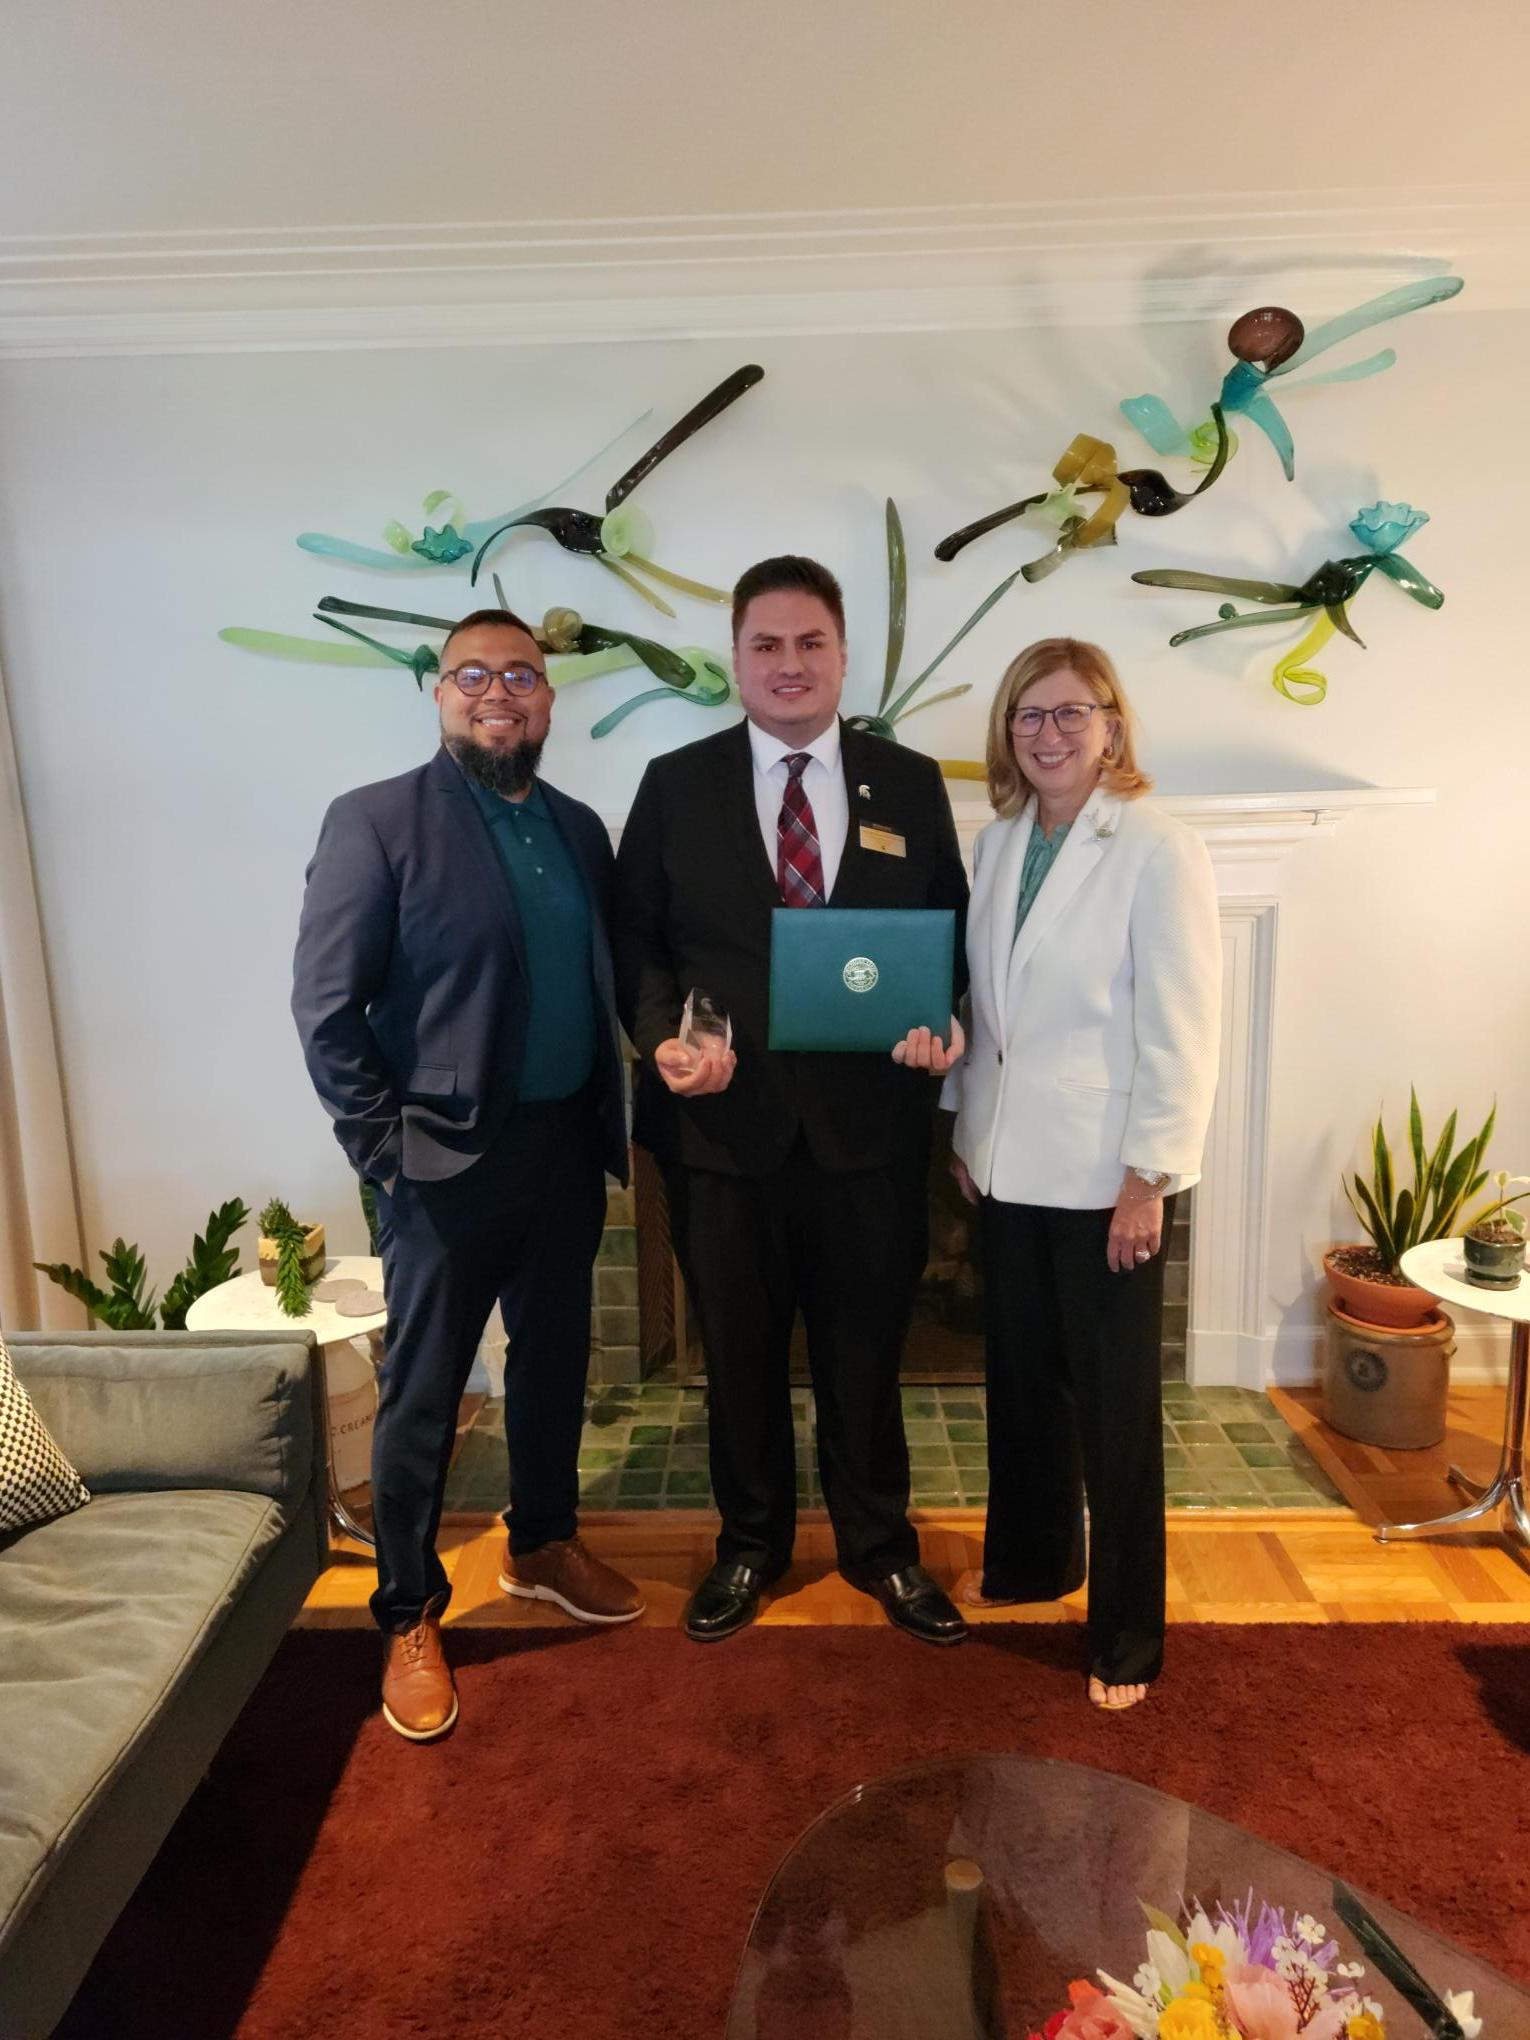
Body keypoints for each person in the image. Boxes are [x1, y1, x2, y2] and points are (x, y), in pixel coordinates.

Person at [292, 607, 642, 1743]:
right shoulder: (377, 821)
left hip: (562, 1146)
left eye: (524, 677)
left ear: (548, 700)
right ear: (439, 693)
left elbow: (603, 982)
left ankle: (541, 1540)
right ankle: (407, 1610)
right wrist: (384, 1151)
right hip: (440, 1164)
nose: (500, 692)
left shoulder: (581, 828)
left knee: (553, 1362)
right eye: (474, 675)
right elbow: (327, 1008)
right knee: (427, 1395)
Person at [614, 556, 970, 1645]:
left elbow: (945, 931)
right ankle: (749, 1546)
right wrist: (668, 1037)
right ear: (736, 660)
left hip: (869, 1132)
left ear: (843, 655)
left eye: (810, 643)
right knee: (741, 1358)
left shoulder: (906, 784)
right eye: (765, 644)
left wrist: (946, 1018)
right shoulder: (675, 785)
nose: (788, 664)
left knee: (866, 1353)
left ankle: (880, 1550)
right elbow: (637, 946)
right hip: (725, 1134)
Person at [942, 637, 1220, 1710]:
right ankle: (1030, 1564)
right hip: (1007, 1168)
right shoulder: (1002, 839)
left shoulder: (1157, 847)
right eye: (1029, 715)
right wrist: (969, 1128)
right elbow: (985, 1010)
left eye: (1071, 713)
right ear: (1008, 732)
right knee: (1020, 1388)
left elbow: (1180, 1028)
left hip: (1109, 1182)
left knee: (1115, 1413)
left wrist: (1150, 1177)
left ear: (1113, 724)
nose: (1050, 734)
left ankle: (1127, 1639)